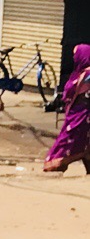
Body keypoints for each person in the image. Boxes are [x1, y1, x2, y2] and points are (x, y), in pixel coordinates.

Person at [43, 43, 90, 173]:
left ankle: (60, 161)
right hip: (76, 112)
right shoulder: (79, 73)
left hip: (82, 113)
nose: (74, 59)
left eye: (76, 56)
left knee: (71, 137)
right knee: (82, 140)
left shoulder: (88, 74)